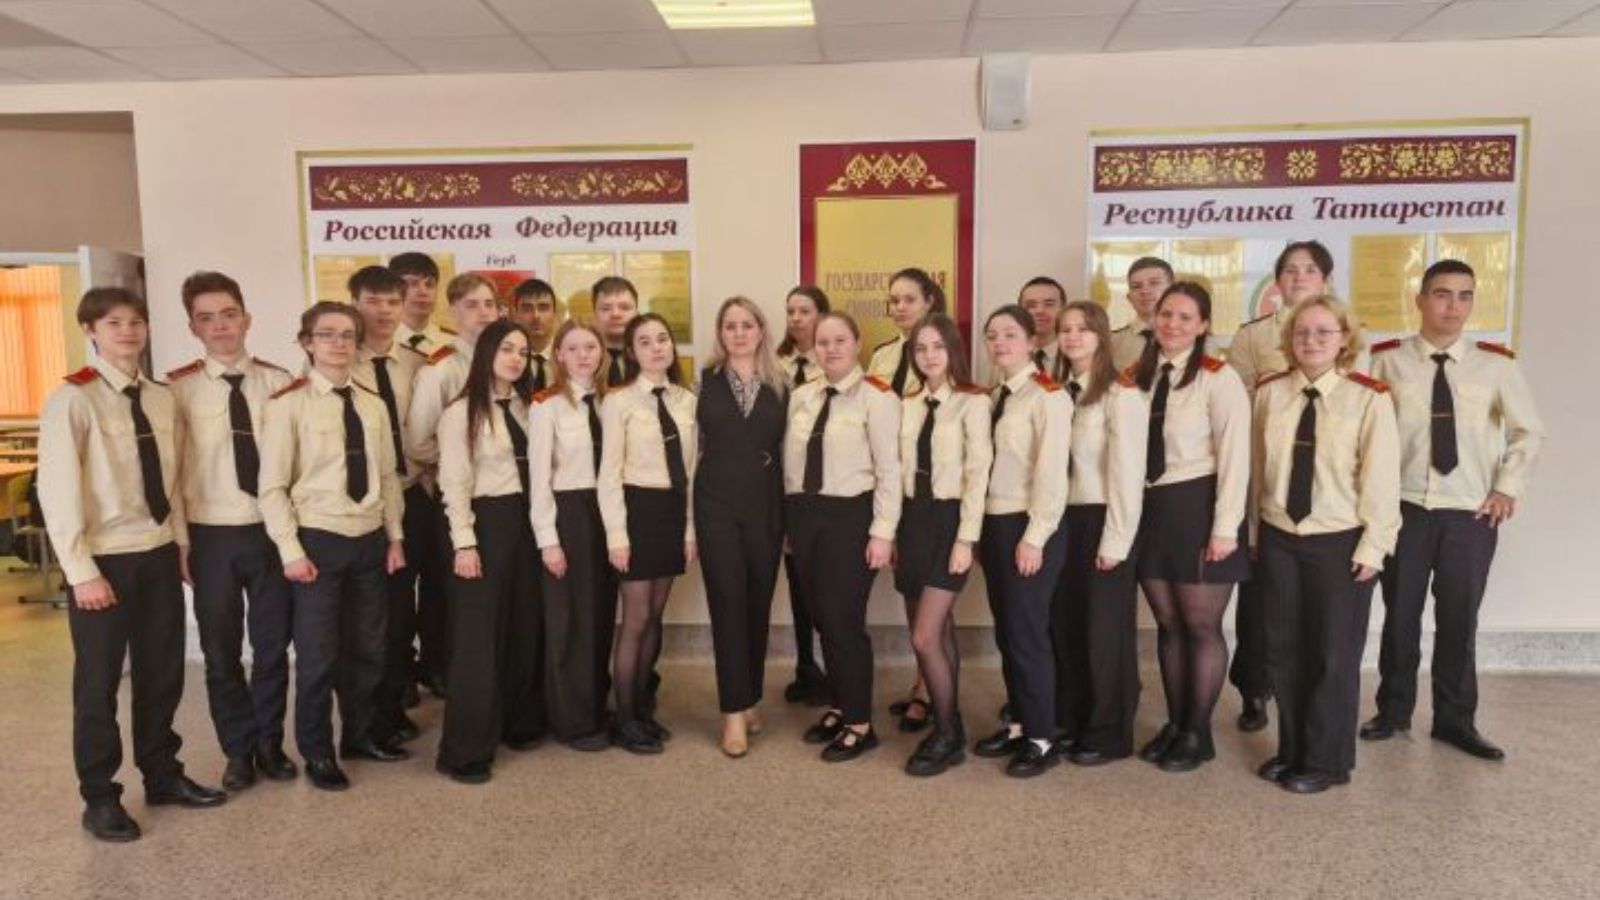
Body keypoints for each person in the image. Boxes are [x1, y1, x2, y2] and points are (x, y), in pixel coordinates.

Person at [39, 287, 226, 842]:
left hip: (158, 551)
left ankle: (162, 774)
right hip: (104, 560)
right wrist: (81, 572)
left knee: (162, 673)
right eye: (113, 323)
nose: (127, 331)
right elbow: (58, 493)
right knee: (98, 684)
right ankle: (100, 796)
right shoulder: (73, 399)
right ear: (90, 331)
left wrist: (182, 545)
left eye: (136, 322)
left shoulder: (162, 397)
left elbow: (174, 480)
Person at [1361, 260, 1545, 761]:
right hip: (1404, 509)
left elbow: (1528, 431)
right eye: (1442, 294)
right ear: (1420, 300)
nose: (1453, 306)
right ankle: (1393, 711)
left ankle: (1455, 720)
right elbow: (1364, 430)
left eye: (1465, 296)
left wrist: (1507, 486)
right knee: (1400, 615)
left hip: (1469, 513)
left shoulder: (1497, 366)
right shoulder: (1385, 362)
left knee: (1459, 619)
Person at [1252, 295, 1400, 794]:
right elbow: (1257, 470)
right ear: (1289, 339)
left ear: (1344, 339)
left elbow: (1381, 480)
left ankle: (1326, 760)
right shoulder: (1269, 393)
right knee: (1285, 650)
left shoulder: (1369, 398)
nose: (1310, 340)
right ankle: (1293, 749)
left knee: (1333, 654)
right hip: (1279, 535)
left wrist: (1374, 547)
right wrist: (1253, 533)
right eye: (1301, 332)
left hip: (1340, 541)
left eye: (1323, 332)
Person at [259, 302, 408, 791]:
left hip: (369, 539)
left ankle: (360, 737)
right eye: (327, 334)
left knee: (369, 647)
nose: (339, 343)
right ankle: (318, 750)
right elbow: (271, 488)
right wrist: (291, 551)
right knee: (319, 655)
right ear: (307, 342)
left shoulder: (372, 404)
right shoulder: (287, 405)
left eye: (347, 335)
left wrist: (394, 537)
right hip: (318, 539)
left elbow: (388, 476)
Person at [166, 271, 297, 792]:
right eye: (207, 318)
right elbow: (171, 474)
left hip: (270, 532)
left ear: (246, 319)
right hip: (210, 536)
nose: (220, 326)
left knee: (272, 646)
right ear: (193, 328)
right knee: (220, 651)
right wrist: (181, 542)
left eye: (228, 314)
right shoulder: (176, 390)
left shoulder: (279, 381)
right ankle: (238, 749)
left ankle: (270, 743)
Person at [1227, 240, 1358, 734]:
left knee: (1320, 626)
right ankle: (1255, 688)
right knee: (1262, 605)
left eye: (1310, 270)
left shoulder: (1343, 334)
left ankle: (1312, 720)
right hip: (1271, 485)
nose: (1299, 277)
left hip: (1327, 496)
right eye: (1289, 270)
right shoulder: (1252, 336)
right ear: (1276, 281)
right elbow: (1238, 408)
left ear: (1326, 280)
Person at [1133, 282, 1252, 773]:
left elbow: (1236, 457)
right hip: (1150, 508)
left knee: (1200, 625)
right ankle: (1177, 721)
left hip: (1199, 506)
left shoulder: (1219, 378)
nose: (1172, 324)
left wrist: (1226, 528)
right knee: (1168, 623)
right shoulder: (1137, 376)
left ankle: (1198, 732)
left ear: (1203, 324)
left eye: (1185, 317)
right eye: (1166, 314)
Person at [785, 312, 901, 763]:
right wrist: (788, 525)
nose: (830, 348)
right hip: (804, 516)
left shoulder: (878, 397)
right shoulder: (802, 396)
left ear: (857, 342)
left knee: (842, 622)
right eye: (822, 341)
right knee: (820, 617)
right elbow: (791, 464)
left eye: (840, 340)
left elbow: (890, 470)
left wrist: (883, 533)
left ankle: (859, 724)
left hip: (850, 518)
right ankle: (840, 703)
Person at [435, 321, 543, 783]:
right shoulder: (462, 413)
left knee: (523, 625)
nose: (516, 358)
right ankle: (465, 750)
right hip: (485, 524)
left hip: (527, 522)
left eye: (522, 351)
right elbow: (454, 482)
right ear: (486, 354)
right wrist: (464, 542)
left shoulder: (529, 406)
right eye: (506, 349)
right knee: (478, 638)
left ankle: (517, 722)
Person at [973, 304, 1072, 778]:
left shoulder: (1048, 396)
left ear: (1033, 342)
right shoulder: (997, 395)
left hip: (1030, 526)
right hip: (995, 523)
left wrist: (1035, 537)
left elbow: (1052, 475)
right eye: (992, 335)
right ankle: (1019, 723)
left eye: (1010, 334)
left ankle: (1041, 737)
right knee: (1007, 632)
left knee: (1028, 634)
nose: (999, 343)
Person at [1051, 300, 1148, 765]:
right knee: (1066, 625)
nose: (1072, 337)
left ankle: (1110, 731)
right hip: (1060, 519)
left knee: (1105, 632)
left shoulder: (1120, 393)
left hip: (1102, 519)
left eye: (1083, 329)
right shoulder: (1055, 392)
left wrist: (1116, 541)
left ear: (1101, 337)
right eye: (1065, 329)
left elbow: (1127, 475)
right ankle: (1074, 719)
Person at [598, 313, 698, 753]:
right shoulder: (618, 401)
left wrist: (689, 529)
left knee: (656, 616)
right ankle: (624, 718)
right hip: (635, 511)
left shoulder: (686, 400)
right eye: (645, 341)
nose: (657, 347)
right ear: (632, 352)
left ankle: (641, 710)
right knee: (636, 618)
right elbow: (608, 474)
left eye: (663, 339)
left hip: (672, 511)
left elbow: (693, 472)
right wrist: (616, 536)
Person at [897, 314, 991, 777]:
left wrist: (966, 539)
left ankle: (948, 735)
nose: (929, 356)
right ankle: (946, 716)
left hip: (951, 520)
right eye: (920, 348)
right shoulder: (908, 403)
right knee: (938, 631)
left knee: (925, 635)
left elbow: (978, 475)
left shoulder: (973, 402)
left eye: (937, 346)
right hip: (912, 520)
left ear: (953, 349)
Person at [697, 297, 789, 758]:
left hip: (766, 508)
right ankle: (732, 712)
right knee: (728, 604)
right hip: (716, 507)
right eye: (729, 325)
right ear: (721, 333)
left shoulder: (783, 383)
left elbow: (793, 455)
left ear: (761, 330)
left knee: (756, 604)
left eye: (746, 325)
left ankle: (749, 695)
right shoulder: (704, 382)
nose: (738, 333)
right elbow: (691, 450)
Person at [403, 272, 503, 696]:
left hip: (500, 500)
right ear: (453, 311)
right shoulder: (443, 366)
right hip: (455, 496)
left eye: (489, 304)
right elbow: (417, 440)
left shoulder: (506, 358)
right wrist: (458, 465)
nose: (483, 313)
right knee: (451, 592)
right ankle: (444, 671)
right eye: (471, 305)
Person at [347, 265, 430, 746]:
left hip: (412, 495)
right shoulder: (338, 361)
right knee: (369, 615)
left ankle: (395, 701)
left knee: (403, 611)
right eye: (373, 301)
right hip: (365, 505)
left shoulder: (417, 364)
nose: (383, 311)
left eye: (392, 302)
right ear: (355, 304)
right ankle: (367, 714)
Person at [529, 321, 614, 752]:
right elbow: (539, 478)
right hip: (569, 514)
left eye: (591, 347)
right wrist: (548, 539)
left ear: (602, 352)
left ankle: (595, 705)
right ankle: (571, 720)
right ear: (558, 355)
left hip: (607, 512)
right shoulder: (547, 406)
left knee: (600, 614)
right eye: (573, 348)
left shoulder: (610, 402)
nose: (583, 355)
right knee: (570, 620)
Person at [865, 267, 944, 727]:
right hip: (891, 488)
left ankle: (928, 688)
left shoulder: (943, 353)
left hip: (929, 492)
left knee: (934, 597)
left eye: (909, 299)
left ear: (930, 300)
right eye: (893, 300)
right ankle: (924, 679)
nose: (899, 308)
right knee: (911, 590)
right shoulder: (881, 355)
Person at [775, 285, 830, 705]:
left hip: (824, 491)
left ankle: (832, 668)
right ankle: (805, 666)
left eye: (804, 311)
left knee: (823, 587)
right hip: (782, 488)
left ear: (821, 315)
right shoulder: (774, 365)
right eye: (790, 311)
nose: (796, 318)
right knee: (796, 585)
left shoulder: (834, 364)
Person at [390, 251, 450, 354]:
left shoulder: (453, 343)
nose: (423, 292)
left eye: (429, 285)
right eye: (412, 284)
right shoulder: (376, 341)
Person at [509, 277, 562, 391]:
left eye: (543, 308)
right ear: (515, 315)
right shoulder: (503, 360)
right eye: (527, 308)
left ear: (555, 313)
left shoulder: (569, 357)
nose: (536, 315)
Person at [591, 275, 641, 387]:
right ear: (594, 315)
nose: (615, 314)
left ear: (637, 314)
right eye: (606, 308)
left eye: (625, 307)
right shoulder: (579, 360)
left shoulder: (650, 358)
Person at [1018, 276, 1067, 374]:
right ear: (1019, 312)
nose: (1040, 311)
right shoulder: (1005, 357)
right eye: (1031, 305)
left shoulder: (1078, 357)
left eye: (1049, 304)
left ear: (1064, 309)